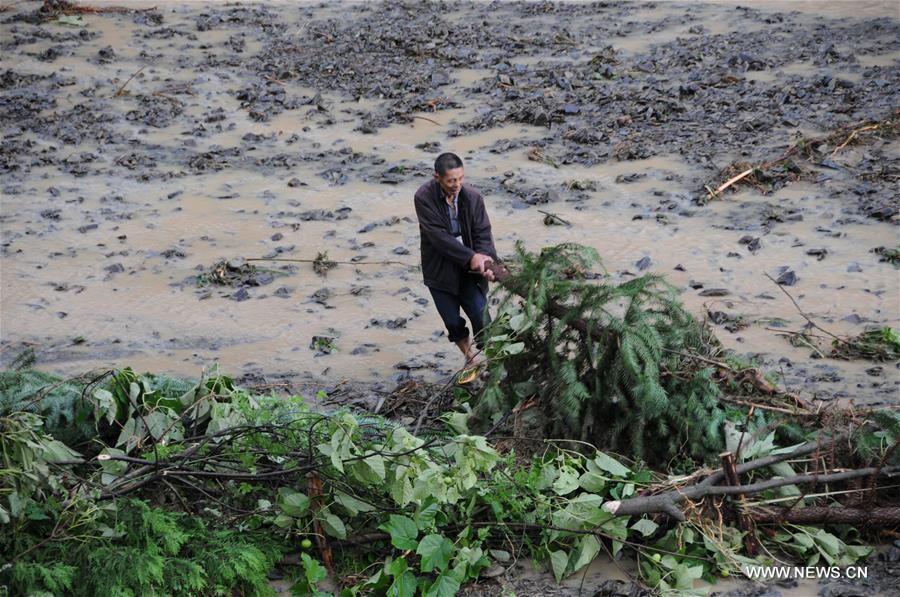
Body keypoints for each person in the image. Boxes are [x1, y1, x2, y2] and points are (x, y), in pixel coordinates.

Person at [414, 152, 498, 372]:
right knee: (452, 321)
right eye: (451, 180)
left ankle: (492, 361)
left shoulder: (473, 197)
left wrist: (488, 261)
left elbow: (483, 232)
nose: (457, 184)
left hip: (469, 270)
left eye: (460, 178)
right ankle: (470, 357)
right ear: (437, 177)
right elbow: (438, 237)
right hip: (439, 268)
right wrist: (471, 257)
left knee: (482, 315)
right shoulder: (423, 197)